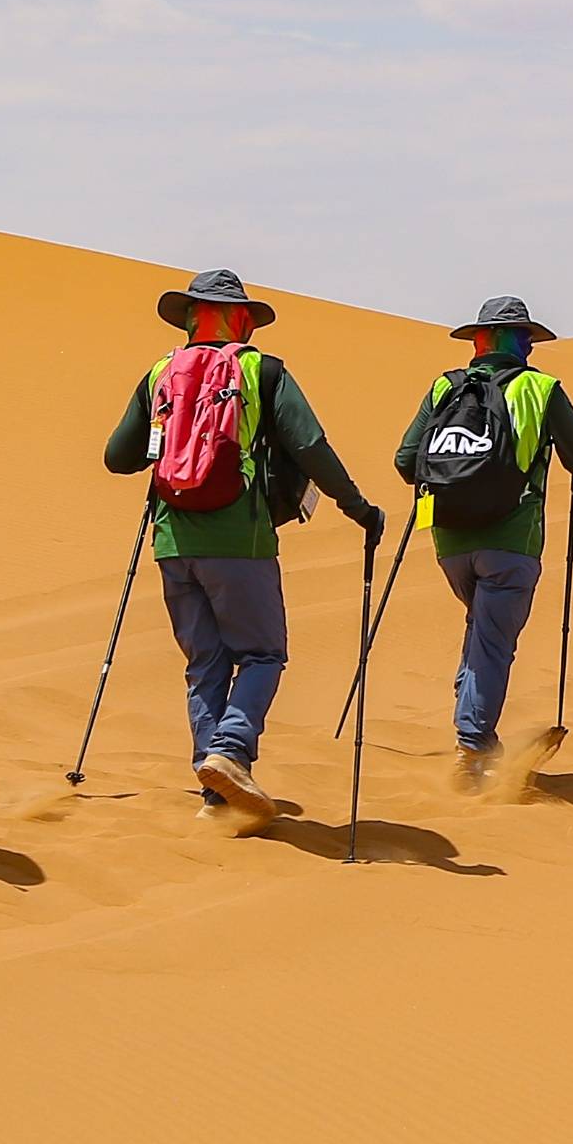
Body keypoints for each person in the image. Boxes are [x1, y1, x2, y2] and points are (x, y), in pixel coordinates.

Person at [99, 266, 385, 828]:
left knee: (205, 663)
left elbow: (117, 457)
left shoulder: (160, 373)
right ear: (243, 322)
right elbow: (310, 446)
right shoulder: (263, 372)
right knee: (262, 655)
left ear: (189, 318)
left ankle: (217, 795)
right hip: (241, 540)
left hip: (172, 540)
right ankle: (230, 751)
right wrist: (359, 509)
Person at [392, 294, 573, 788]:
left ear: (479, 341)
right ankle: (473, 744)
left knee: (481, 630)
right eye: (526, 338)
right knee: (492, 640)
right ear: (521, 342)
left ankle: (474, 728)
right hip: (511, 540)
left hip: (449, 539)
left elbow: (405, 461)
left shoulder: (445, 387)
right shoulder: (540, 388)